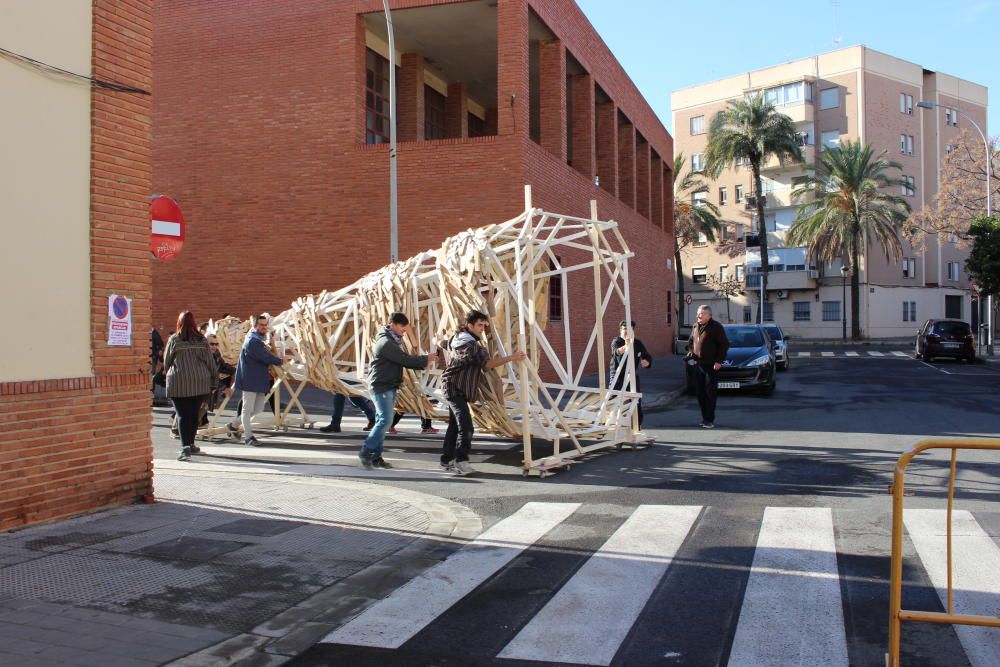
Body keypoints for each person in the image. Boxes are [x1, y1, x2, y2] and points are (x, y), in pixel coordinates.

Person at [440, 310, 526, 475]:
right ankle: (461, 461)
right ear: (469, 325)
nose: (482, 329)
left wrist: (439, 343)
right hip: (454, 388)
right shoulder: (470, 346)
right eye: (479, 325)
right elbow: (488, 364)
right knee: (466, 426)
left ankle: (446, 460)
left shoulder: (457, 338)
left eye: (484, 325)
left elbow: (445, 343)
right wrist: (512, 357)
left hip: (453, 386)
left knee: (454, 425)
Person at [359, 312, 438, 470]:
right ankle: (366, 451)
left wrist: (424, 359)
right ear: (393, 324)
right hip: (381, 385)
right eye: (403, 327)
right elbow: (404, 360)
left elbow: (402, 359)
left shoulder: (391, 340)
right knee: (385, 421)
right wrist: (425, 359)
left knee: (383, 421)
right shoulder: (386, 342)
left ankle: (376, 457)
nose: (404, 331)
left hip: (387, 384)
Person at [163, 311, 218, 460]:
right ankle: (191, 444)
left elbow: (167, 361)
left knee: (182, 415)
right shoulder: (201, 340)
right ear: (194, 323)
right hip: (200, 382)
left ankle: (185, 447)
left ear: (179, 322)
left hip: (178, 382)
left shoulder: (174, 339)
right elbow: (210, 362)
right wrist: (214, 381)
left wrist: (168, 374)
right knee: (194, 415)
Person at [228, 315, 284, 446]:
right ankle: (249, 437)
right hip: (250, 380)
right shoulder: (252, 341)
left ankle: (233, 425)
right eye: (261, 325)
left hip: (259, 379)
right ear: (255, 326)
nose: (264, 327)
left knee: (258, 409)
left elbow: (265, 350)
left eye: (265, 325)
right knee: (247, 410)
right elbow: (265, 357)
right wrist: (280, 361)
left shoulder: (259, 338)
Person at [687, 305, 729, 429]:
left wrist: (719, 361)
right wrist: (691, 353)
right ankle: (704, 418)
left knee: (710, 393)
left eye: (701, 314)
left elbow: (724, 345)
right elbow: (690, 342)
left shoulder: (716, 327)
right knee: (700, 393)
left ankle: (710, 420)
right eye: (698, 313)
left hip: (711, 366)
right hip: (698, 365)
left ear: (709, 315)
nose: (698, 316)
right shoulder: (695, 326)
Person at [609, 320, 653, 428]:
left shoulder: (637, 343)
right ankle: (610, 423)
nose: (627, 332)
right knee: (613, 399)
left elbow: (647, 356)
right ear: (620, 330)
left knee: (635, 400)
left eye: (630, 329)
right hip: (618, 375)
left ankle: (636, 424)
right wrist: (623, 349)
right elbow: (616, 351)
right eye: (624, 329)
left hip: (631, 375)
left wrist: (647, 362)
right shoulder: (617, 341)